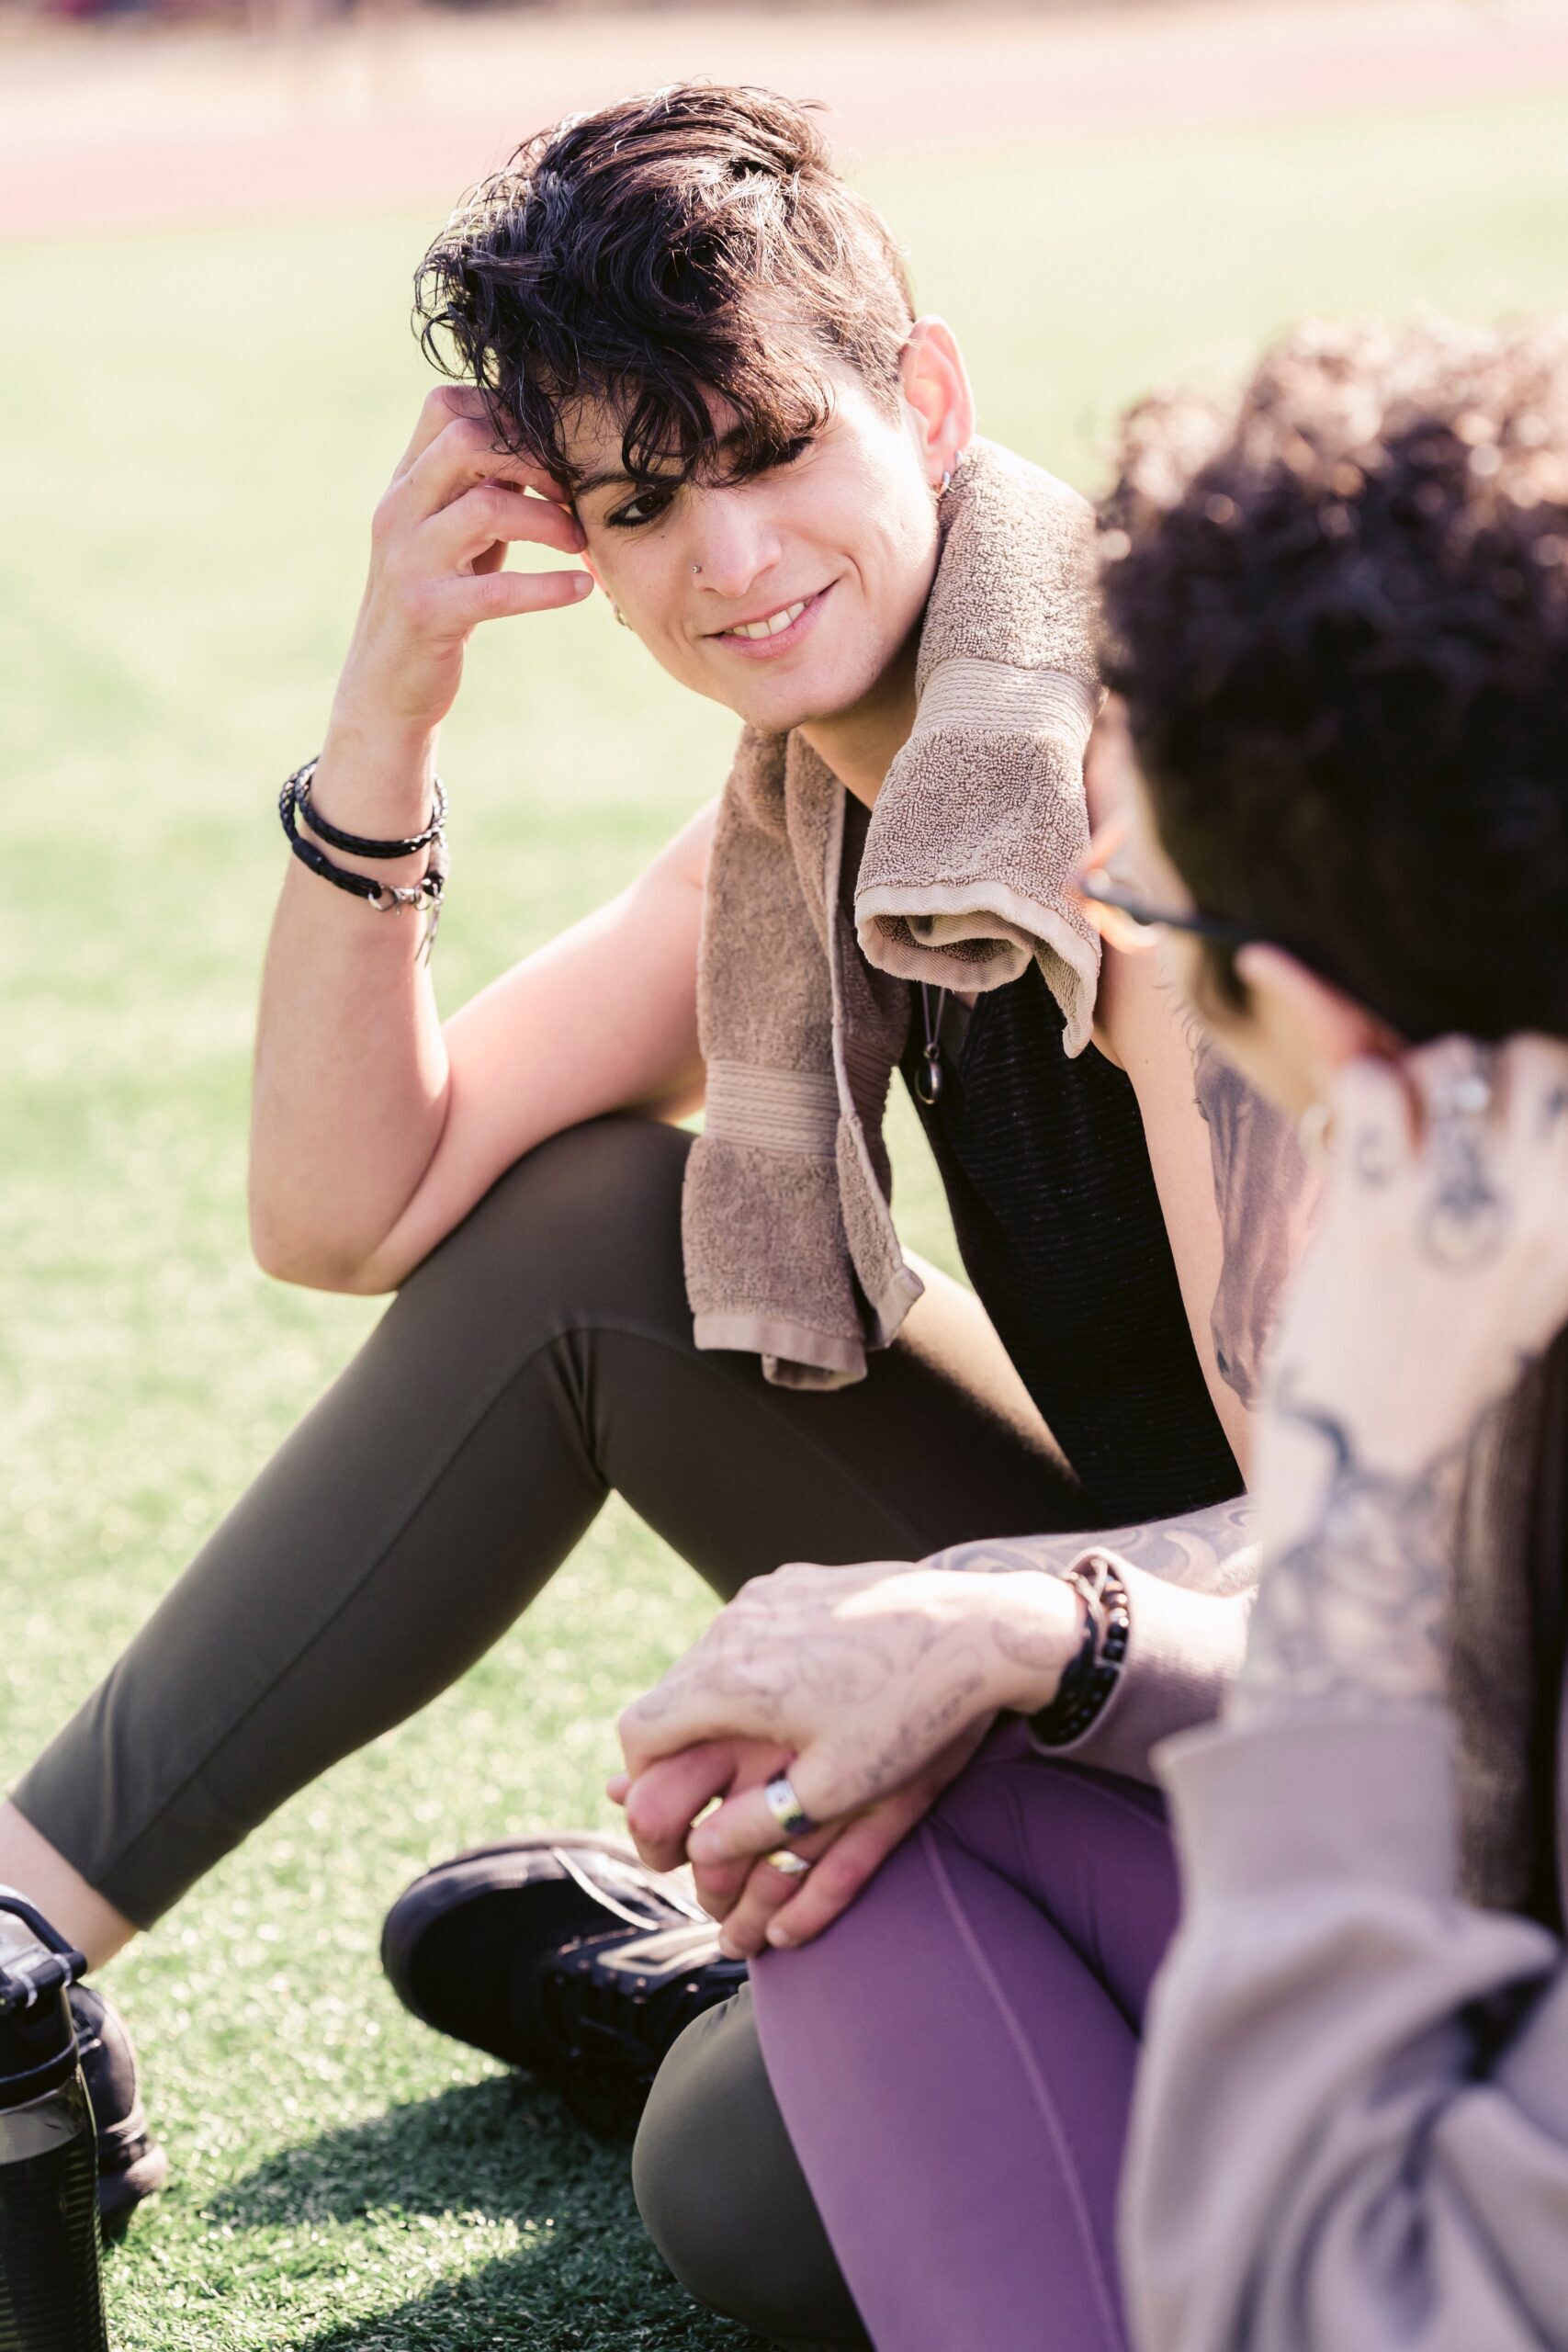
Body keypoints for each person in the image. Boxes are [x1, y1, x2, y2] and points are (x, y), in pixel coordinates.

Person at [0, 83, 1290, 2328]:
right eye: (638, 498)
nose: (725, 557)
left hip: (1382, 1720)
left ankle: (671, 1988)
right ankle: (11, 1940)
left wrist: (959, 1628)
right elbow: (354, 1204)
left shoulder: (1138, 813)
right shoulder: (811, 812)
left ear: (928, 397)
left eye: (772, 443)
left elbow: (1371, 1559)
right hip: (1129, 1644)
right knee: (592, 1227)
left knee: (737, 2190)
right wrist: (389, 701)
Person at [615, 315, 1568, 2350]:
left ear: (1327, 995)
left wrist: (1051, 1623)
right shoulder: (1477, 1192)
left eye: (1173, 918)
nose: (1105, 888)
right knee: (878, 1769)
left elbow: (1363, 2241)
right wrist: (1011, 1626)